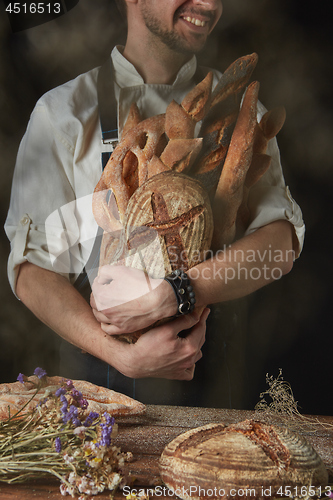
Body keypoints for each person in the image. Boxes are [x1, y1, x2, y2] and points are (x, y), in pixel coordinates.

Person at [5, 0, 304, 406]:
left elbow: (280, 246)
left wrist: (178, 292)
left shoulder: (238, 118)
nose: (210, 4)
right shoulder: (63, 113)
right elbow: (32, 269)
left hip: (214, 400)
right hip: (97, 403)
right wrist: (122, 356)